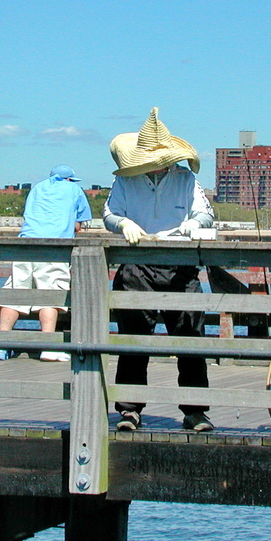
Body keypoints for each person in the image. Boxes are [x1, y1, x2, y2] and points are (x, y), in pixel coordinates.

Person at [102, 107, 215, 432]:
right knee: (133, 340)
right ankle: (129, 409)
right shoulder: (126, 179)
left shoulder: (186, 179)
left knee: (190, 340)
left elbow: (206, 214)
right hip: (136, 265)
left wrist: (193, 224)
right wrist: (123, 224)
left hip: (181, 265)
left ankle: (195, 411)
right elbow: (109, 214)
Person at [0, 165, 92, 362]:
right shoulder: (74, 190)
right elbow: (78, 224)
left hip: (26, 244)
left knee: (15, 293)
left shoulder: (37, 188)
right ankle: (48, 347)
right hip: (53, 247)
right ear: (69, 179)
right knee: (51, 295)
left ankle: (0, 346)